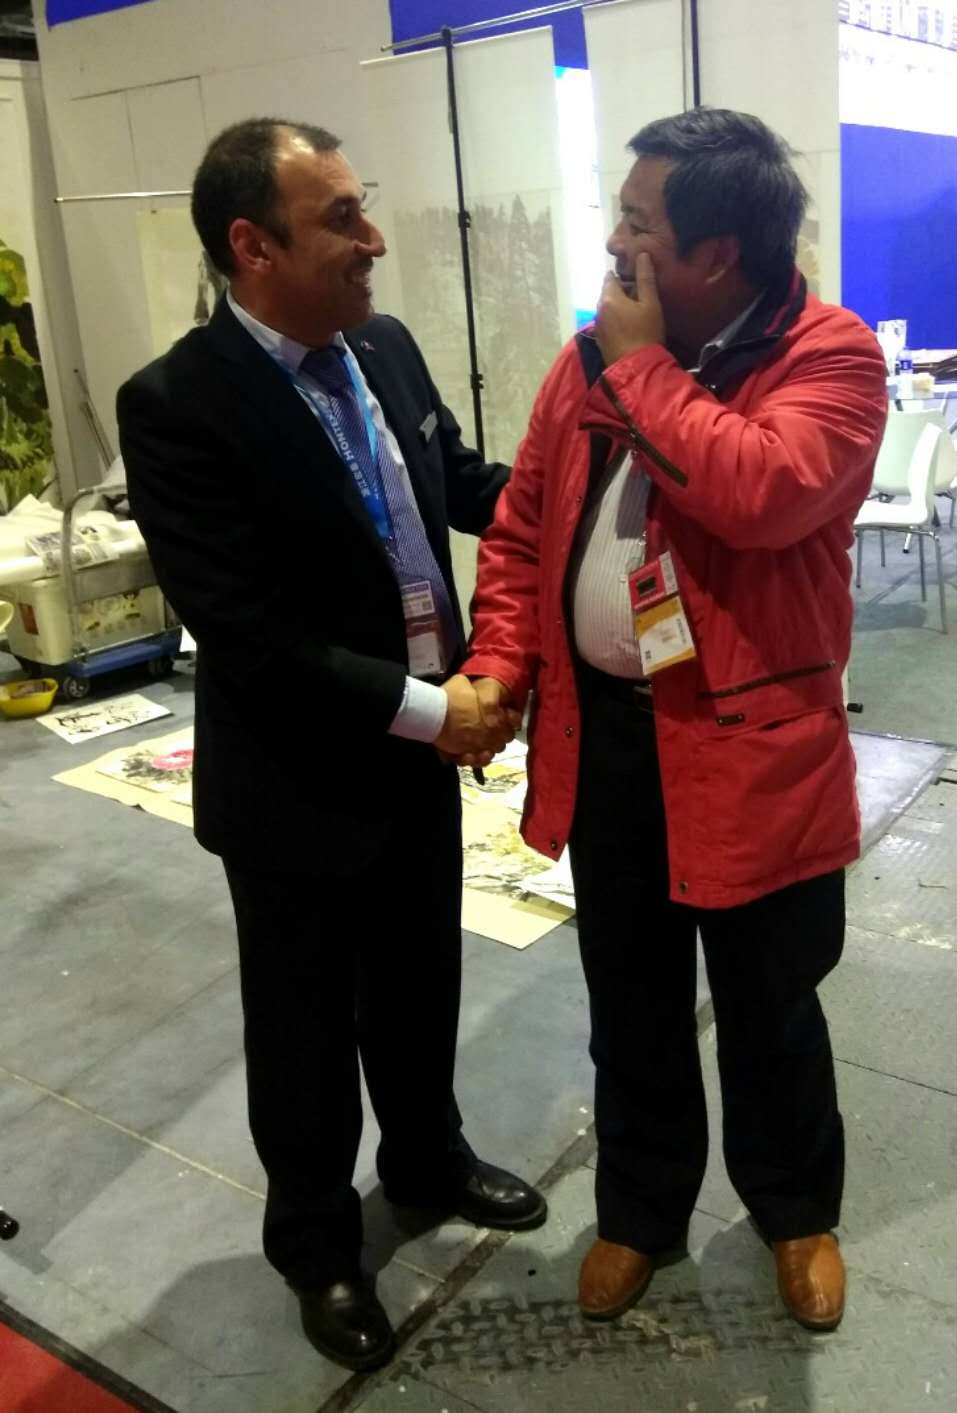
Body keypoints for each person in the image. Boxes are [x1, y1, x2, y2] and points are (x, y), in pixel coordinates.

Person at [117, 118, 545, 1372]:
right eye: (342, 220)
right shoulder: (178, 405)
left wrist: (587, 493)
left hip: (416, 753)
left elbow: (457, 482)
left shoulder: (383, 346)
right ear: (253, 246)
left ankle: (427, 1162)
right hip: (297, 781)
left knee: (419, 987)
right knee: (303, 1032)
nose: (373, 241)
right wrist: (435, 709)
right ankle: (316, 1247)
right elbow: (250, 639)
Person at [460, 108, 887, 1331]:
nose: (614, 242)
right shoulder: (586, 360)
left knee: (771, 1005)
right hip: (610, 740)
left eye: (639, 224)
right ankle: (640, 1213)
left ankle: (795, 1212)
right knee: (631, 1001)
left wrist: (640, 370)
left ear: (716, 256)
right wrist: (500, 663)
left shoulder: (830, 358)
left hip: (754, 753)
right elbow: (524, 526)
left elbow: (763, 492)